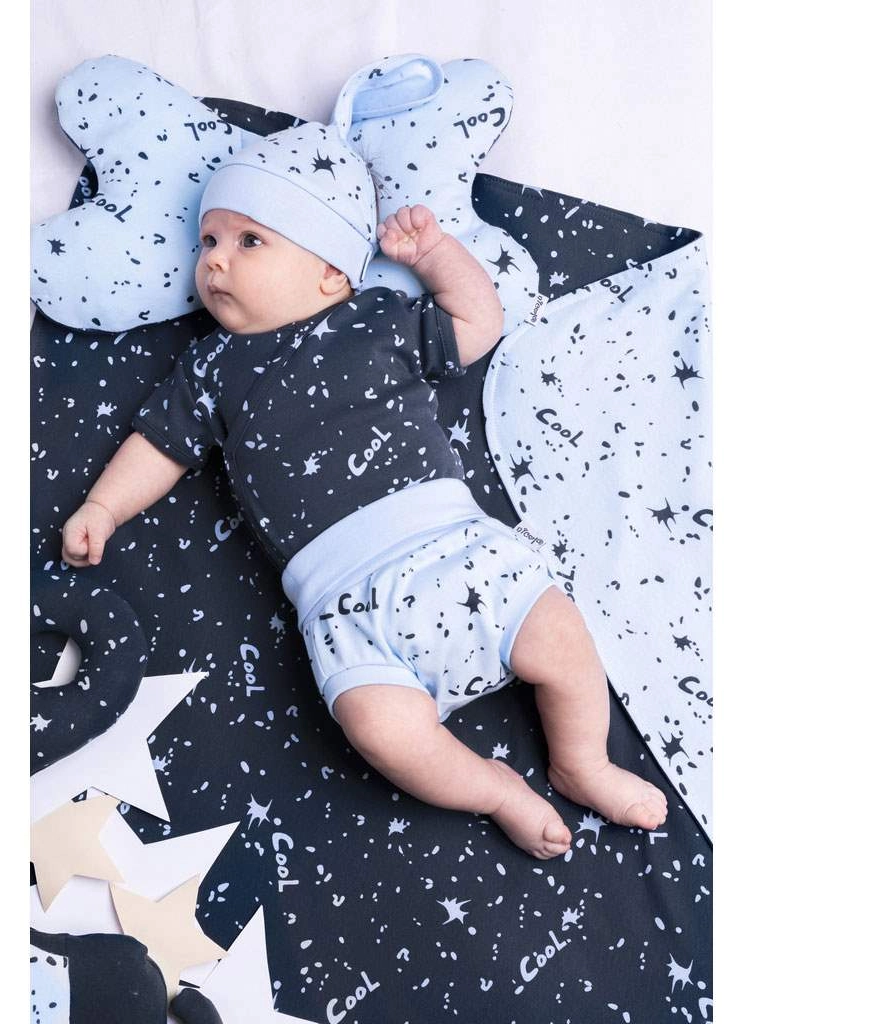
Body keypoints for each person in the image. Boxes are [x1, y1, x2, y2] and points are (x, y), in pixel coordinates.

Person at [61, 122, 667, 859]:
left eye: (249, 241)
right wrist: (104, 507)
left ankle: (583, 762)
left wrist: (436, 257)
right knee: (380, 731)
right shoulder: (212, 369)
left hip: (458, 553)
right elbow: (158, 446)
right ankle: (496, 790)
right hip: (346, 603)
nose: (214, 259)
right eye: (207, 242)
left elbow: (478, 322)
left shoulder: (372, 320)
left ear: (330, 273)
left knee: (563, 641)